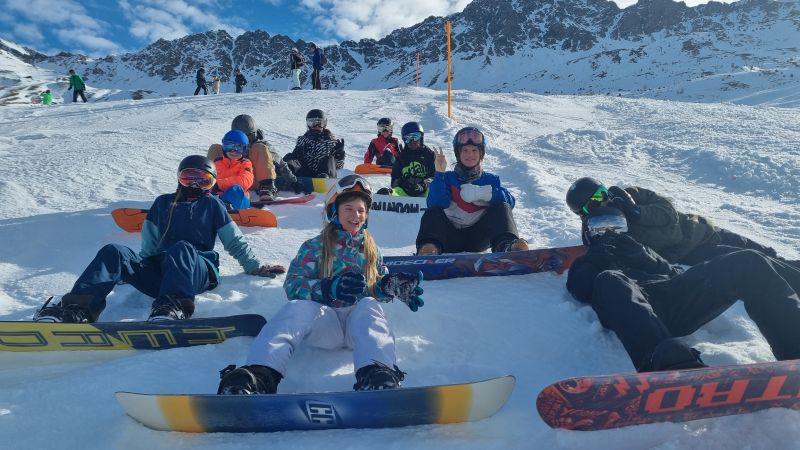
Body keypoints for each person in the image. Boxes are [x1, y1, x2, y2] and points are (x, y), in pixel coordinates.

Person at [216, 175, 424, 394]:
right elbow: (293, 285)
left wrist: (389, 286)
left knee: (370, 306)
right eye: (348, 209)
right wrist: (326, 288)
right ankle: (259, 375)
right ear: (334, 211)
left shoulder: (372, 249)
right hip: (326, 323)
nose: (356, 215)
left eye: (361, 210)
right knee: (296, 308)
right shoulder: (314, 247)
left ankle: (377, 374)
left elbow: (377, 285)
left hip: (358, 326)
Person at [33, 156, 286, 324]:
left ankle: (174, 306)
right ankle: (78, 308)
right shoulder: (163, 203)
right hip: (162, 273)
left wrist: (255, 267)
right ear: (179, 179)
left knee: (181, 247)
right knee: (115, 251)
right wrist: (131, 271)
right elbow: (150, 244)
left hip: (196, 271)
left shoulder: (213, 205)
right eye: (189, 178)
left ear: (211, 184)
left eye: (203, 180)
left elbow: (234, 241)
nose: (195, 185)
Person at [566, 205, 800, 372]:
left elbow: (677, 274)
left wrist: (646, 258)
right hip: (633, 312)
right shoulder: (587, 263)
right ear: (589, 234)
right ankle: (669, 364)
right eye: (600, 228)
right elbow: (580, 288)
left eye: (616, 226)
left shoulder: (640, 250)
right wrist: (598, 259)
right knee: (610, 279)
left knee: (746, 261)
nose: (610, 233)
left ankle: (794, 345)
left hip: (674, 301)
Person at [565, 177, 798, 267]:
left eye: (601, 194)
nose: (603, 202)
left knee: (764, 253)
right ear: (584, 214)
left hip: (701, 231)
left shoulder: (631, 195)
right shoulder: (605, 227)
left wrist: (635, 211)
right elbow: (607, 252)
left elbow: (669, 212)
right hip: (688, 254)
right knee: (750, 262)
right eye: (594, 204)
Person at [415, 127, 528, 255]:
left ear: (481, 154)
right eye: (465, 151)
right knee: (433, 211)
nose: (470, 155)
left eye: (474, 150)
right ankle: (429, 249)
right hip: (449, 238)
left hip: (478, 238)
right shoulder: (447, 178)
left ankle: (506, 247)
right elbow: (436, 203)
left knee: (502, 206)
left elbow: (510, 203)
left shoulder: (490, 179)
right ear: (458, 154)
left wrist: (485, 193)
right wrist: (439, 174)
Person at [208, 114, 304, 202]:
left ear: (254, 133)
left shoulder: (262, 146)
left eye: (249, 136)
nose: (246, 141)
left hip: (253, 180)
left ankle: (266, 187)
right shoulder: (230, 146)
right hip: (226, 181)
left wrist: (293, 181)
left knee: (258, 147)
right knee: (215, 147)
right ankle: (208, 182)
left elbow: (280, 163)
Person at [283, 109, 345, 178]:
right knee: (290, 156)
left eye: (320, 123)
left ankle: (323, 179)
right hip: (305, 174)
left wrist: (340, 156)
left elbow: (339, 167)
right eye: (312, 123)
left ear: (324, 124)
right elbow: (294, 161)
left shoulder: (331, 142)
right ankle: (284, 175)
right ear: (308, 124)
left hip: (324, 174)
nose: (316, 126)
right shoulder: (302, 140)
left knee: (329, 158)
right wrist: (297, 155)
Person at [388, 122, 435, 196]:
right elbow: (394, 180)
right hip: (404, 193)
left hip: (425, 193)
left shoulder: (429, 155)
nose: (412, 141)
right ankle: (384, 199)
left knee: (433, 191)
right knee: (392, 193)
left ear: (421, 137)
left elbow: (436, 177)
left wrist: (424, 185)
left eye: (415, 137)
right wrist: (404, 184)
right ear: (404, 140)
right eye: (408, 138)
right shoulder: (401, 157)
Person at [212, 130, 254, 210]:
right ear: (224, 147)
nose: (234, 151)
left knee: (236, 189)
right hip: (217, 198)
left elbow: (245, 181)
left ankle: (226, 208)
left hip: (239, 199)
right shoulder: (217, 162)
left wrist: (218, 184)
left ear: (245, 150)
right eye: (230, 146)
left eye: (239, 148)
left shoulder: (245, 163)